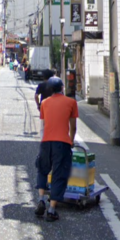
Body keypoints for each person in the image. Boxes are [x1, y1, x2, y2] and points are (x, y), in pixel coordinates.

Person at [35, 76, 77, 222]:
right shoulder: (71, 102)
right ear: (62, 88)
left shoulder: (44, 103)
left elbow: (42, 125)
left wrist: (43, 141)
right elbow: (73, 126)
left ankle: (41, 199)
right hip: (62, 143)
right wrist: (71, 141)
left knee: (42, 169)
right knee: (59, 174)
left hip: (46, 142)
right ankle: (52, 209)